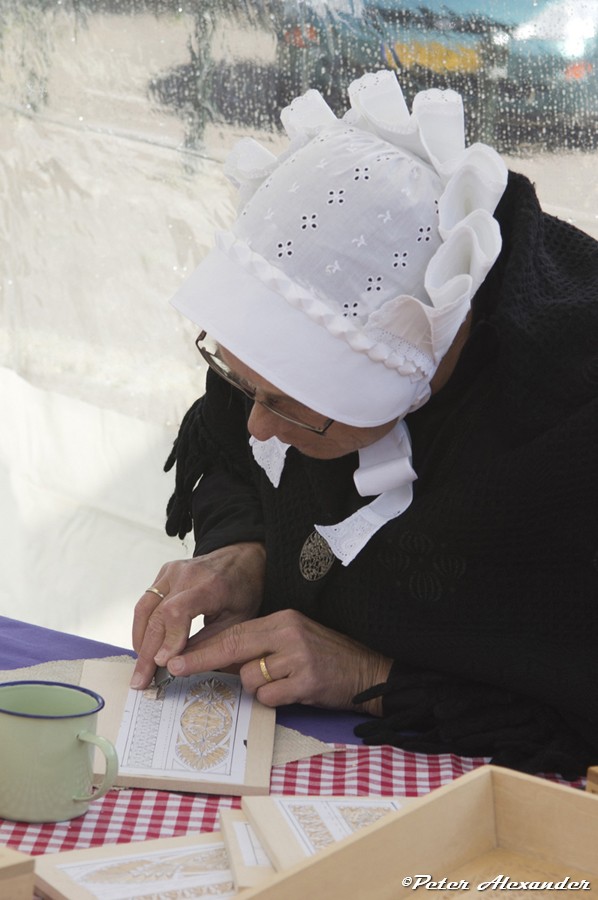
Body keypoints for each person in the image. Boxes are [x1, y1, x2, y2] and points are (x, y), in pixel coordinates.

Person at [131, 70, 598, 778]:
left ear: (403, 373)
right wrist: (245, 551)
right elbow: (232, 452)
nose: (258, 425)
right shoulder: (309, 296)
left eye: (288, 404)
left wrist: (369, 674)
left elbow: (573, 709)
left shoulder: (565, 437)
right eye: (245, 386)